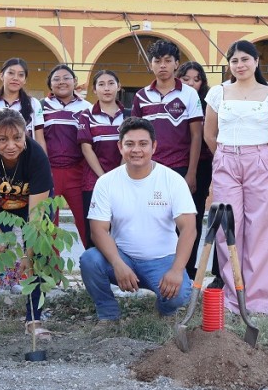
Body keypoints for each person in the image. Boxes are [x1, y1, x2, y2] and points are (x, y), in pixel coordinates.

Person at [80, 117, 197, 322]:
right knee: (90, 260)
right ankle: (108, 315)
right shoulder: (106, 182)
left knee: (178, 297)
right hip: (123, 256)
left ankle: (164, 309)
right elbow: (98, 230)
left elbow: (189, 229)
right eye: (129, 144)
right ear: (120, 147)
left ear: (154, 146)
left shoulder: (172, 180)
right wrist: (117, 263)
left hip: (162, 260)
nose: (136, 150)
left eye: (143, 144)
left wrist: (177, 270)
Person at [204, 40, 268, 315]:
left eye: (245, 60)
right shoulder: (218, 93)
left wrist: (255, 156)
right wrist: (227, 156)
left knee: (261, 229)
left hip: (259, 159)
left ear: (256, 61)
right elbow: (209, 134)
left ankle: (260, 299)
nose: (240, 65)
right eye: (234, 61)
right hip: (226, 159)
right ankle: (233, 295)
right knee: (228, 225)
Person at [0, 108, 55, 343]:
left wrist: (28, 252)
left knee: (37, 255)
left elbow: (36, 214)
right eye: (2, 139)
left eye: (17, 138)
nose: (11, 145)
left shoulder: (36, 155)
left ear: (25, 134)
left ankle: (33, 318)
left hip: (31, 206)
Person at [131, 40, 203, 194]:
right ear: (151, 65)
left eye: (168, 61)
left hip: (180, 167)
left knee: (177, 217)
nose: (162, 65)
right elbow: (134, 135)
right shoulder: (141, 96)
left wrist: (191, 173)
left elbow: (196, 135)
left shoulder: (189, 94)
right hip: (147, 166)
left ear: (176, 64)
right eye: (157, 61)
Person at [177, 61, 221, 286]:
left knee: (193, 218)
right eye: (186, 79)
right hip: (175, 164)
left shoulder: (208, 105)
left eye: (196, 79)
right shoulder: (173, 102)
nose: (191, 84)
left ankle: (190, 267)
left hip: (202, 166)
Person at [41, 64, 90, 246]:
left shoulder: (87, 107)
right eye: (56, 79)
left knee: (86, 221)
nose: (61, 82)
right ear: (50, 84)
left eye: (66, 78)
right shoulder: (41, 107)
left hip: (78, 172)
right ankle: (50, 273)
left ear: (75, 82)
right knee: (48, 226)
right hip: (49, 172)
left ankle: (95, 269)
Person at [78, 70, 126, 249]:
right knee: (95, 231)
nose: (107, 88)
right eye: (101, 84)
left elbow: (129, 149)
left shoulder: (127, 115)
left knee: (121, 229)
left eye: (111, 83)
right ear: (94, 89)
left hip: (124, 179)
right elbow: (86, 148)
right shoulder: (87, 115)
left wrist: (119, 174)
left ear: (118, 86)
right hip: (94, 181)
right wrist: (104, 177)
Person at [0, 57, 46, 151]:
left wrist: (43, 163)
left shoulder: (33, 103)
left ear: (24, 80)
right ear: (1, 76)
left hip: (27, 159)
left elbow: (40, 139)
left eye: (21, 75)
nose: (15, 78)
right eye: (11, 73)